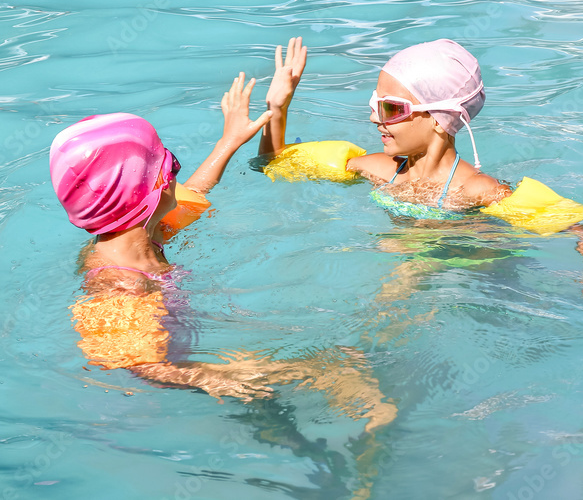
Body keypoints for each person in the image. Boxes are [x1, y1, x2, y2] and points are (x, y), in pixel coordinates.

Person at [51, 70, 396, 430]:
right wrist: (224, 378)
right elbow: (138, 366)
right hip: (156, 403)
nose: (176, 177)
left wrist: (228, 141)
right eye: (171, 167)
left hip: (184, 368)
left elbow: (194, 196)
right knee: (328, 365)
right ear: (148, 197)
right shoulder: (118, 285)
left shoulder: (140, 234)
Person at [258, 37, 583, 310]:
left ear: (441, 119)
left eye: (391, 109)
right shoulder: (379, 170)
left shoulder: (477, 190)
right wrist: (278, 107)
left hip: (481, 280)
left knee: (407, 274)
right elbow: (271, 164)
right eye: (374, 104)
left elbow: (580, 229)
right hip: (418, 276)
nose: (375, 117)